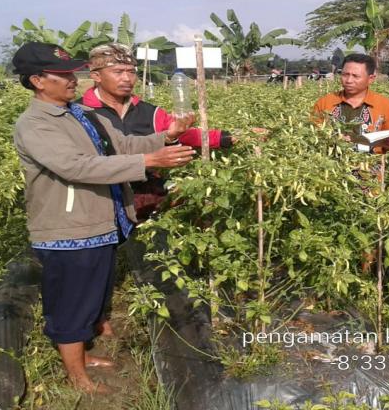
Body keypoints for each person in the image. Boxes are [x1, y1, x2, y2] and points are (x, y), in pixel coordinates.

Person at [12, 42, 196, 393]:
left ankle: (82, 356)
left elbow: (123, 145)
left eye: (72, 72)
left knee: (91, 295)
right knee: (70, 302)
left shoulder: (81, 114)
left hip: (100, 221)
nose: (72, 80)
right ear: (37, 80)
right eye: (62, 74)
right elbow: (75, 166)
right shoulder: (35, 124)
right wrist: (149, 163)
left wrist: (167, 136)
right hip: (68, 228)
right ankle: (77, 376)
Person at [77, 43, 234, 220]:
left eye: (131, 72)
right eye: (118, 72)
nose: (127, 78)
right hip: (99, 203)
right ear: (96, 75)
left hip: (147, 202)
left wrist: (228, 137)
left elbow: (185, 134)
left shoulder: (150, 112)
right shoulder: (78, 113)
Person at [312, 53, 389, 154]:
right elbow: (312, 136)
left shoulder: (384, 104)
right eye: (345, 75)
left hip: (370, 167)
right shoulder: (325, 102)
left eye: (355, 76)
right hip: (330, 166)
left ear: (371, 79)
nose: (349, 80)